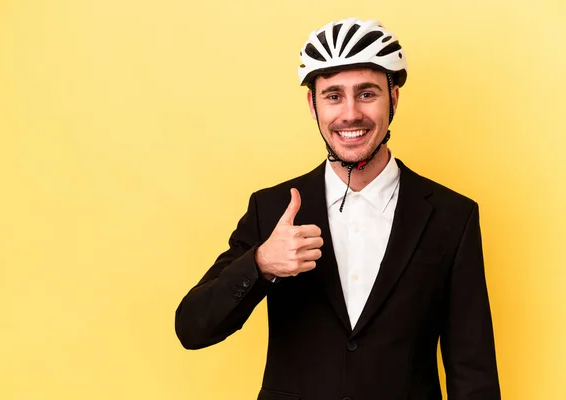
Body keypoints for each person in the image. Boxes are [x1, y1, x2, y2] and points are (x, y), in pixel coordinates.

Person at [175, 17, 501, 400]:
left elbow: (473, 370)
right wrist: (261, 263)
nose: (350, 114)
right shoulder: (273, 209)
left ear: (393, 99)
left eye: (367, 94)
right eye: (333, 96)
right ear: (312, 105)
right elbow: (192, 329)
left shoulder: (452, 216)